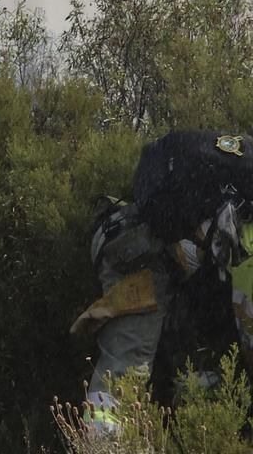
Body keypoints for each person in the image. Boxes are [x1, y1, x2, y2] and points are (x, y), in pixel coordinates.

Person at [76, 129, 253, 436]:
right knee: (126, 370)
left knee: (201, 375)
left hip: (185, 274)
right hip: (140, 252)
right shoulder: (239, 173)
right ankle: (102, 442)